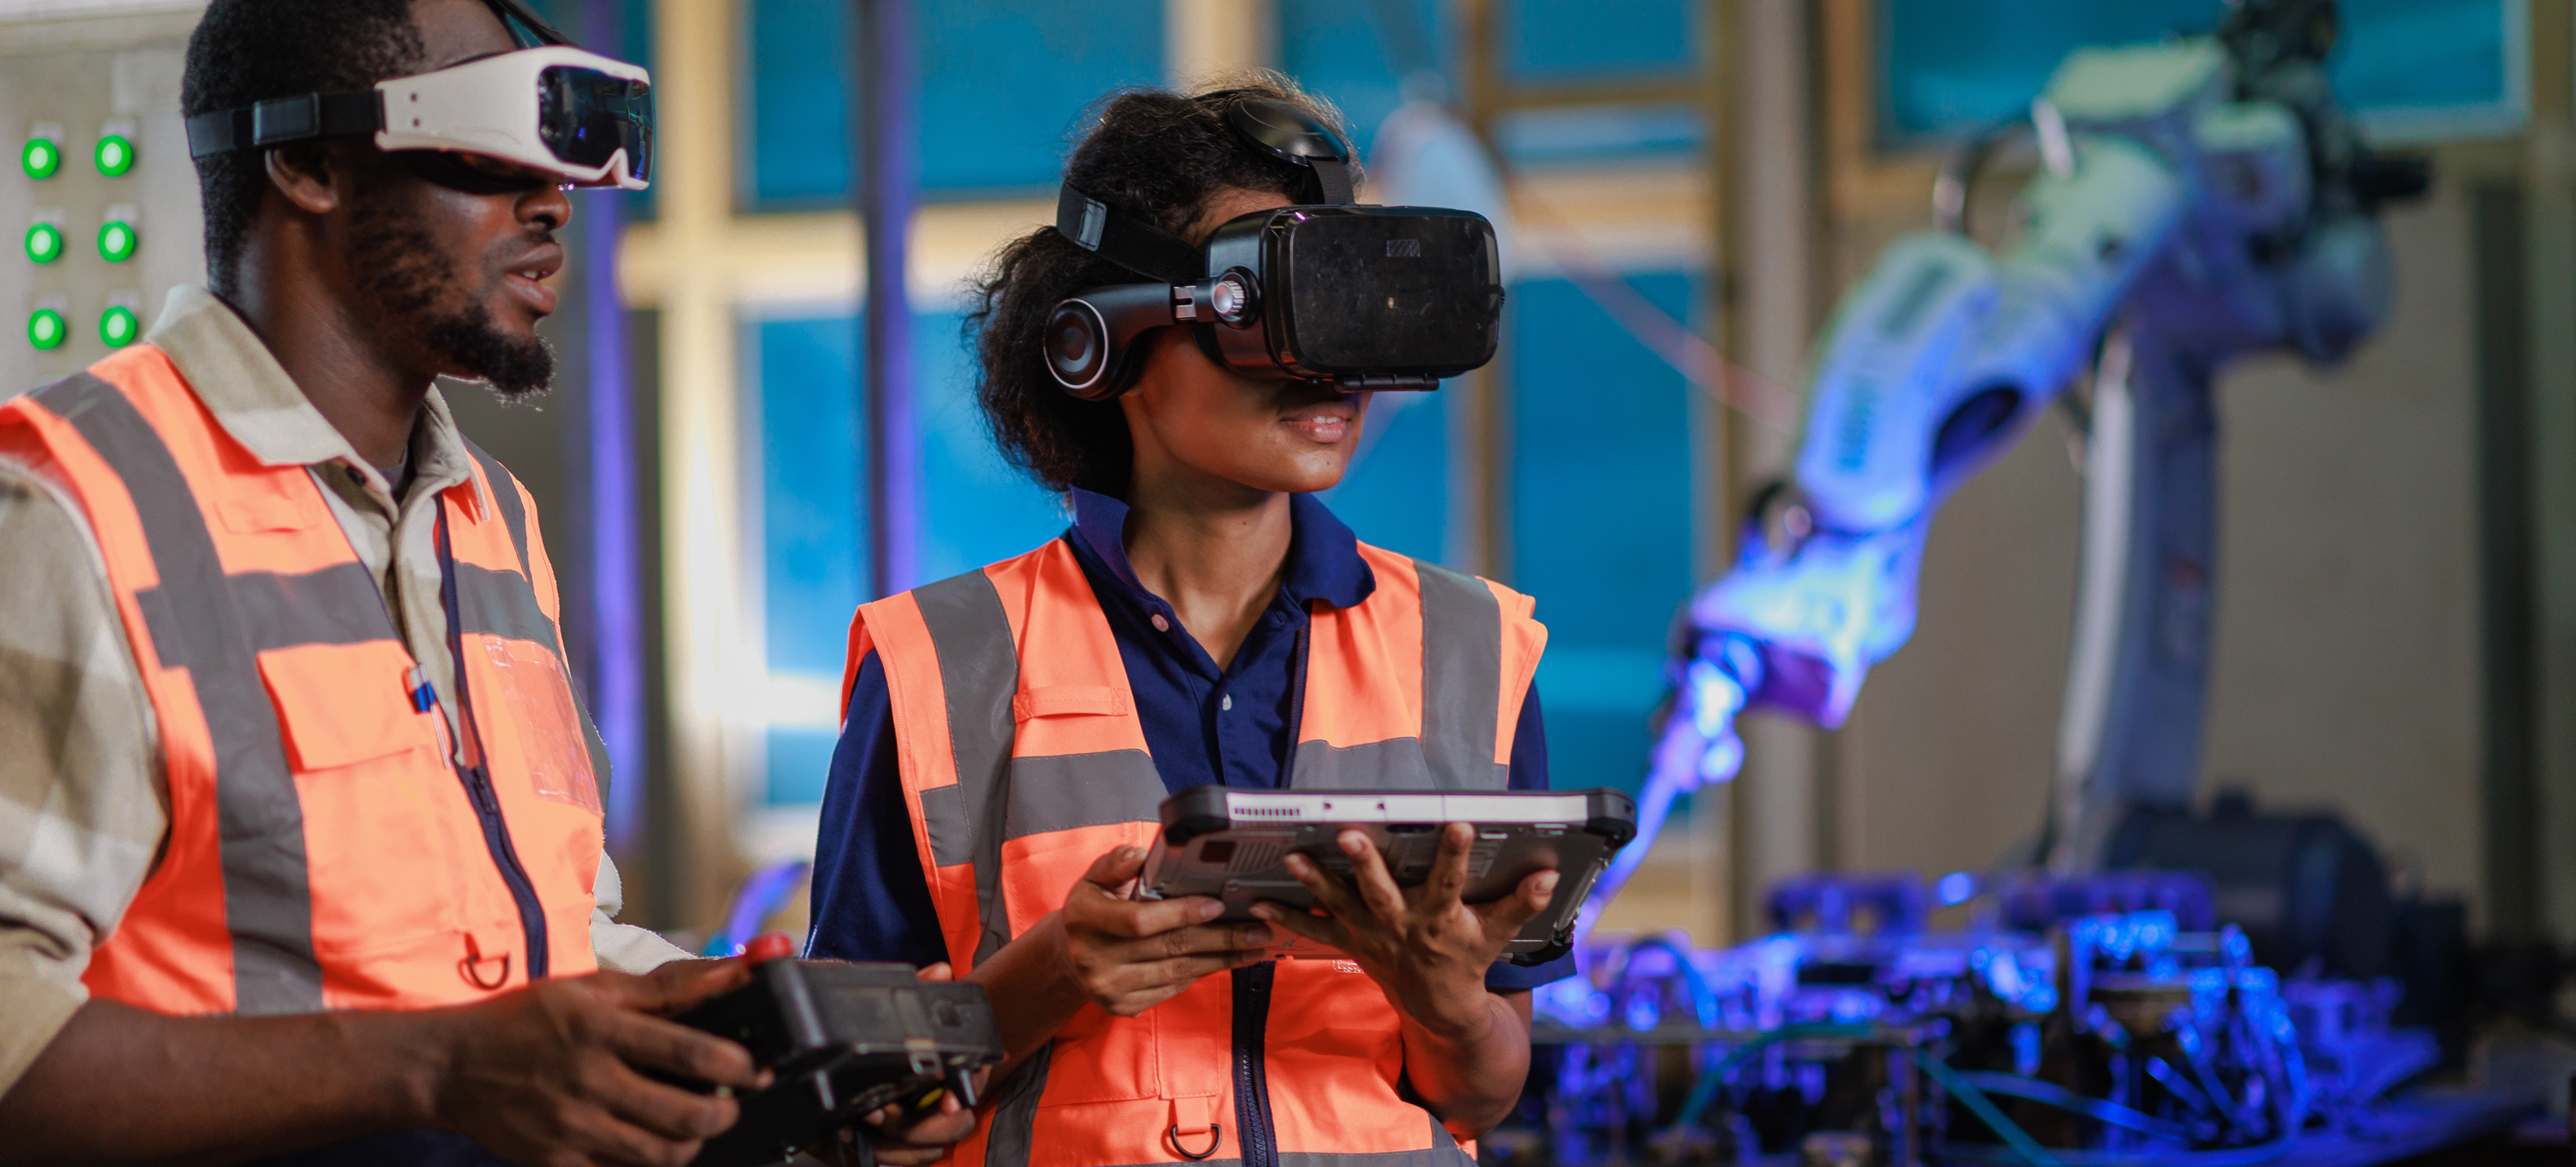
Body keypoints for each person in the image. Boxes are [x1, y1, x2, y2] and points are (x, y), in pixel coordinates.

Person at [0, 2, 972, 1164]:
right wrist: (437, 1068)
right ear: (309, 162)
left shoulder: (490, 519)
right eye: (493, 140)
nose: (552, 200)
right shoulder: (73, 506)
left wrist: (756, 1041)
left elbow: (548, 949)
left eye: (558, 165)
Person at [808, 78, 1568, 1167]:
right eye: (1270, 310)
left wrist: (1445, 1002)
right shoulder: (939, 664)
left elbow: (1481, 1095)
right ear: (1098, 343)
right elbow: (853, 1106)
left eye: (1347, 305)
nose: (1330, 368)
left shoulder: (1474, 649)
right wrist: (1050, 975)